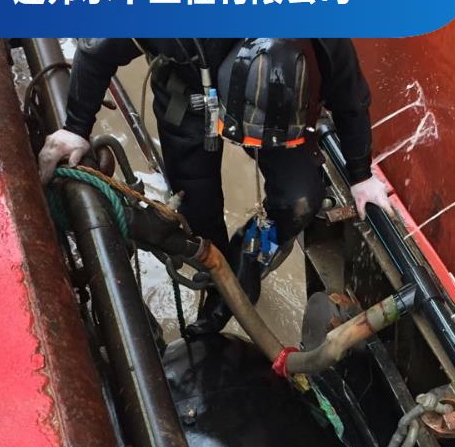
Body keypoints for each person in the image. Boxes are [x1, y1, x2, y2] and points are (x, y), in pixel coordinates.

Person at [38, 38, 392, 335]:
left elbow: (351, 100)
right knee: (197, 210)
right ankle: (216, 274)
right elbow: (95, 53)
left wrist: (361, 175)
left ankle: (250, 256)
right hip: (187, 89)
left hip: (280, 107)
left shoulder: (320, 26)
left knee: (299, 199)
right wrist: (76, 128)